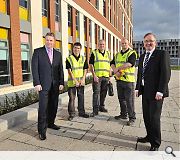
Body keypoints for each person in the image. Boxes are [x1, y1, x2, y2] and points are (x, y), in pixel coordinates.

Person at [135, 33, 171, 151]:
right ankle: (149, 136)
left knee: (154, 118)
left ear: (155, 42)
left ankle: (155, 143)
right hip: (145, 92)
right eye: (146, 41)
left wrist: (161, 91)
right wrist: (137, 88)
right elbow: (140, 74)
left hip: (156, 93)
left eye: (150, 41)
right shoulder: (142, 56)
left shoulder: (162, 54)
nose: (148, 43)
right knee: (146, 116)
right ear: (143, 43)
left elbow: (166, 74)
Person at [31, 32, 64, 140]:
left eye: (51, 40)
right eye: (47, 40)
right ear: (45, 40)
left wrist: (61, 82)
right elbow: (34, 68)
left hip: (55, 85)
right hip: (43, 85)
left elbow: (60, 70)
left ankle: (51, 123)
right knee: (43, 108)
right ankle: (41, 130)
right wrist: (37, 83)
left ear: (54, 42)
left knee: (53, 106)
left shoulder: (58, 54)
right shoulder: (38, 52)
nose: (49, 42)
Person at [111, 38, 137, 126]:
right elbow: (112, 63)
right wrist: (114, 70)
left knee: (129, 100)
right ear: (120, 44)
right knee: (121, 99)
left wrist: (117, 70)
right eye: (122, 43)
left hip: (128, 81)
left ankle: (132, 118)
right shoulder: (117, 54)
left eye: (125, 43)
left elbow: (130, 63)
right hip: (119, 80)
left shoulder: (132, 53)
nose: (124, 44)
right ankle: (123, 114)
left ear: (128, 44)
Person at [66, 42, 89, 121]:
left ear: (80, 49)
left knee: (81, 97)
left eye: (78, 48)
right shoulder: (69, 58)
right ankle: (71, 114)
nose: (76, 49)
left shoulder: (83, 58)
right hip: (72, 83)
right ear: (73, 48)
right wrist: (75, 80)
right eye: (75, 48)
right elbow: (69, 71)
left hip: (81, 82)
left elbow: (85, 69)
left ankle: (81, 112)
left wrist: (83, 79)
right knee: (72, 98)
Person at [89, 39, 111, 116]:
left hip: (106, 77)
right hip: (97, 77)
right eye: (100, 44)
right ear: (98, 45)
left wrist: (109, 76)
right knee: (96, 93)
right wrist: (94, 75)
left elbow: (109, 65)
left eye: (103, 44)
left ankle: (101, 106)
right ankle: (95, 110)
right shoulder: (94, 53)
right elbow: (91, 65)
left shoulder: (108, 53)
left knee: (103, 93)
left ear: (105, 46)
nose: (102, 46)